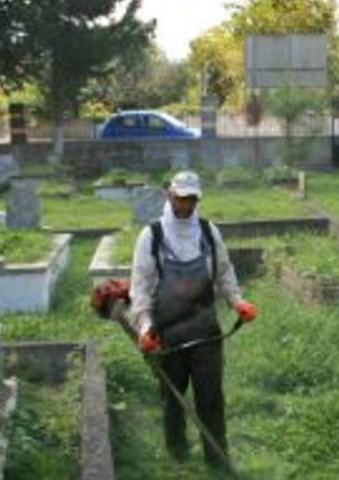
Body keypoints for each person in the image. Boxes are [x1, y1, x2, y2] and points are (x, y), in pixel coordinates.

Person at [129, 170, 257, 467]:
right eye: (180, 198)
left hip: (206, 332)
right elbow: (141, 288)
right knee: (172, 400)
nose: (184, 206)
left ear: (197, 199)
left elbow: (224, 272)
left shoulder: (208, 232)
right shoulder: (152, 236)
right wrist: (145, 328)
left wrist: (238, 302)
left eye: (191, 199)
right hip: (168, 334)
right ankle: (178, 455)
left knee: (211, 399)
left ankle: (217, 459)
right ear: (169, 195)